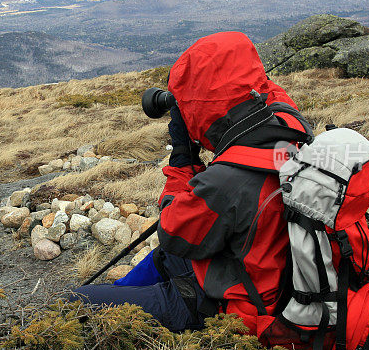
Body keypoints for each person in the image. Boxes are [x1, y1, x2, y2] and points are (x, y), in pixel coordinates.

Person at [70, 31, 313, 334]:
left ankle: (117, 308)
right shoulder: (291, 128)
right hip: (267, 273)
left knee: (76, 302)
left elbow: (172, 231)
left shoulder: (227, 180)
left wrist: (183, 159)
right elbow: (261, 91)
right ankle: (123, 292)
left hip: (233, 306)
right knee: (166, 259)